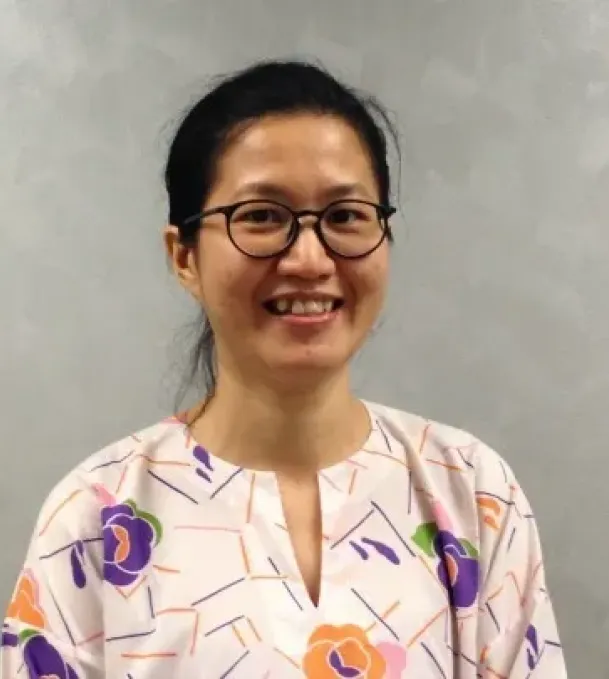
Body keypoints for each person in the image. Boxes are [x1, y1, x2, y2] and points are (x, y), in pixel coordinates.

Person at [0, 59, 567, 679]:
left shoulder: (474, 494)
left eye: (345, 216)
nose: (309, 259)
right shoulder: (97, 517)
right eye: (262, 216)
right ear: (183, 255)